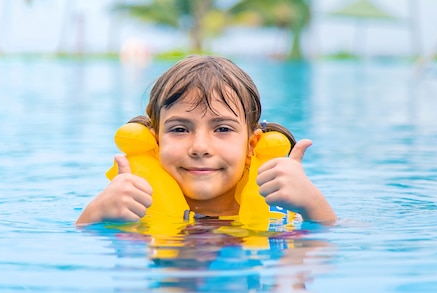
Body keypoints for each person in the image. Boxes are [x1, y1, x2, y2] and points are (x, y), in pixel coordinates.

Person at [76, 55, 336, 226]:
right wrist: (93, 215)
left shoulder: (276, 216)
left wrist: (313, 205)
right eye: (179, 129)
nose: (200, 147)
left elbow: (323, 250)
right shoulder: (129, 209)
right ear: (156, 141)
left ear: (251, 145)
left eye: (222, 129)